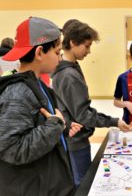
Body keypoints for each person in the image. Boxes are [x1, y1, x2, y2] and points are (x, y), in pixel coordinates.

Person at [0, 17, 82, 196]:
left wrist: (63, 126)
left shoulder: (38, 84)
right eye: (57, 52)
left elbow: (40, 123)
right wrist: (54, 127)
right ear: (39, 52)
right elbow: (11, 149)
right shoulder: (17, 94)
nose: (60, 58)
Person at [51, 19, 132, 187]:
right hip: (75, 140)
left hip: (72, 136)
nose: (89, 51)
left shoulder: (69, 66)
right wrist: (114, 121)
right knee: (83, 183)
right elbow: (84, 115)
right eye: (86, 46)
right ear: (73, 42)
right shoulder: (68, 76)